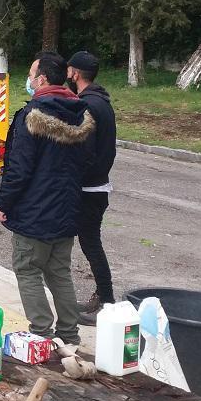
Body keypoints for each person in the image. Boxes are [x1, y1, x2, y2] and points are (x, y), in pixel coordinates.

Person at [0, 52, 94, 347]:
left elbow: (19, 169)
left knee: (27, 270)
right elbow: (87, 164)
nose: (29, 78)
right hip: (66, 212)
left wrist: (2, 204)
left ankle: (41, 334)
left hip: (34, 213)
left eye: (32, 73)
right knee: (59, 272)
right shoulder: (80, 115)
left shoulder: (32, 116)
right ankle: (69, 336)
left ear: (42, 79)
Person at [67, 50, 117, 324]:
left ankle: (107, 301)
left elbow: (84, 151)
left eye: (69, 71)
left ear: (75, 73)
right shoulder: (101, 102)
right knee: (89, 242)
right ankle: (102, 296)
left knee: (91, 243)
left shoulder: (87, 106)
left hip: (89, 188)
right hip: (97, 185)